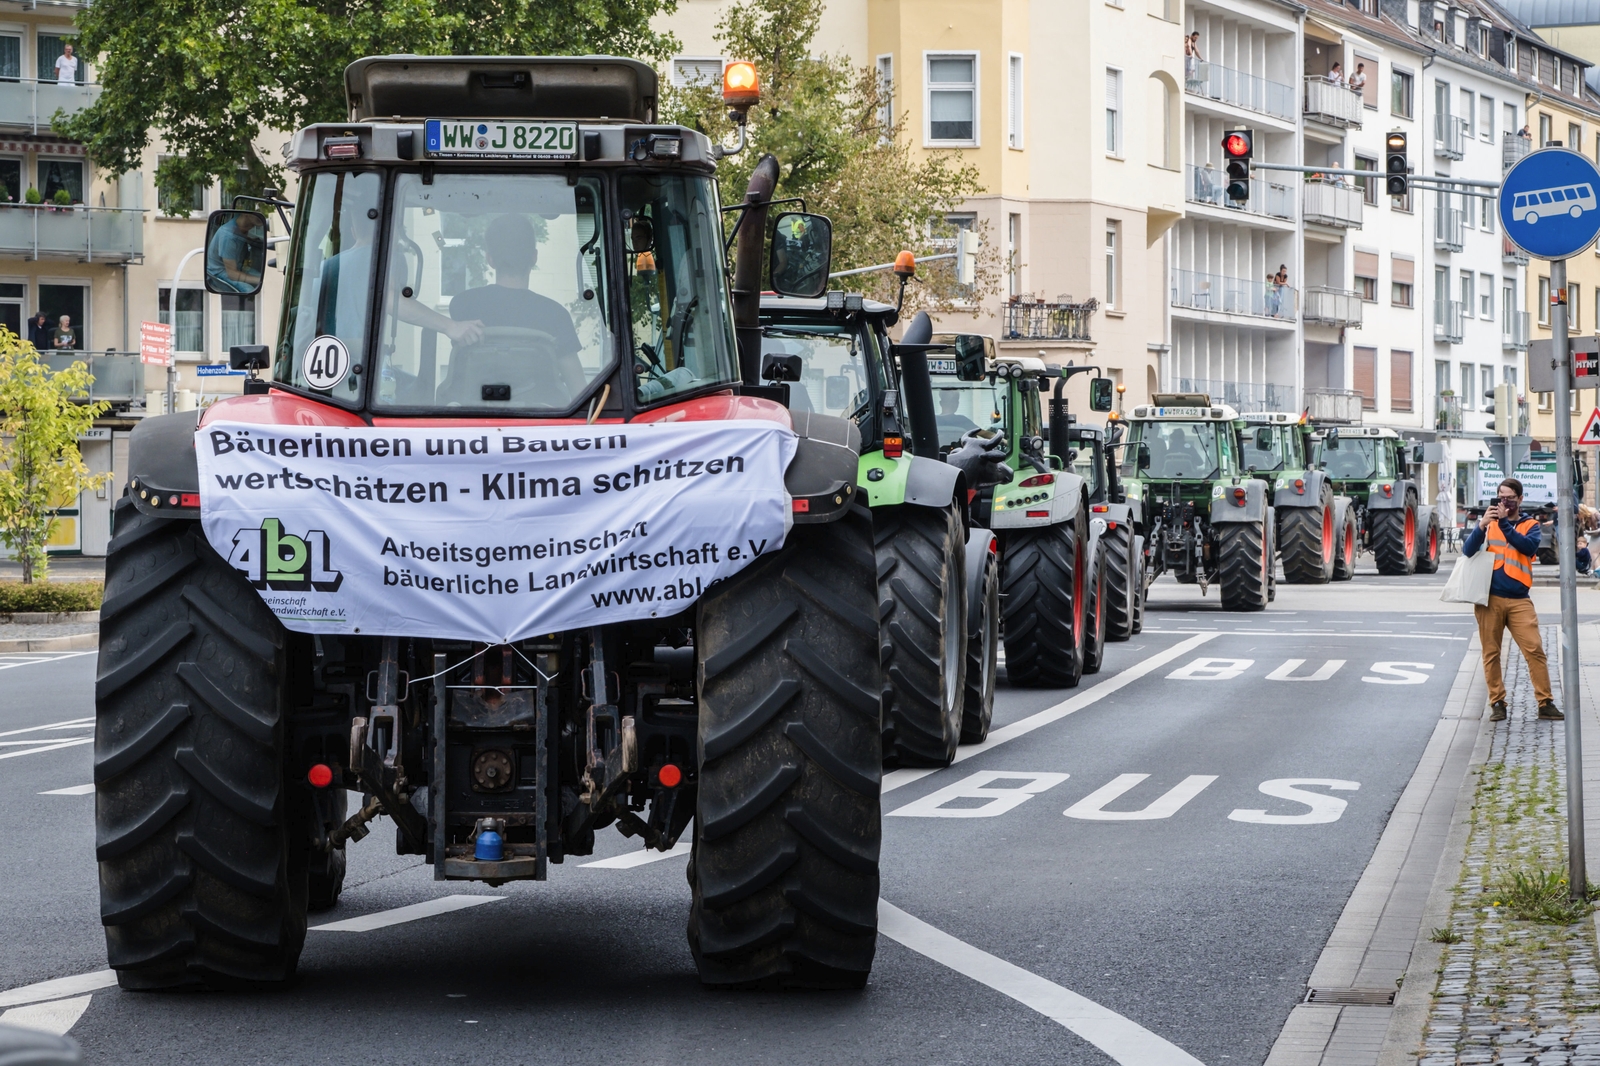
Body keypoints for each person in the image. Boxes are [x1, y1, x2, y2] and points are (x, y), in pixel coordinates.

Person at [449, 214, 586, 398]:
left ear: (490, 259)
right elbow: (579, 390)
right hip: (541, 423)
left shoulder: (462, 305)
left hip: (471, 421)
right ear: (534, 257)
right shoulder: (555, 315)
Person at [1461, 478, 1561, 722]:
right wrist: (1482, 525)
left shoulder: (1530, 525)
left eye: (1509, 498)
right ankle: (1497, 702)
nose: (1504, 502)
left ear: (1520, 500)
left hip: (1519, 600)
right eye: (1500, 497)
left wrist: (1504, 523)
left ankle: (1545, 702)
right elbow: (1468, 550)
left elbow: (1527, 548)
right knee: (1491, 653)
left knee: (1534, 649)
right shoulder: (1489, 524)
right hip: (1489, 598)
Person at [205, 212, 264, 294]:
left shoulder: (238, 223)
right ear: (246, 213)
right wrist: (261, 281)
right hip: (220, 272)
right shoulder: (228, 236)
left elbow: (239, 237)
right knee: (249, 289)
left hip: (238, 266)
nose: (262, 214)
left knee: (264, 276)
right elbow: (232, 274)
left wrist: (251, 240)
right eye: (257, 211)